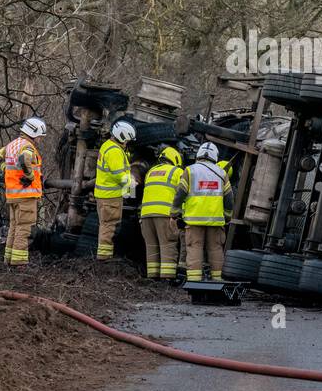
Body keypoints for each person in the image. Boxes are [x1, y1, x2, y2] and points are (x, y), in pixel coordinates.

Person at [173, 142, 233, 281]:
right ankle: (217, 280)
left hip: (194, 220)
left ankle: (194, 281)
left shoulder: (190, 170)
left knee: (195, 248)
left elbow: (180, 193)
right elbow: (229, 198)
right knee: (215, 249)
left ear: (199, 154)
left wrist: (174, 212)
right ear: (215, 156)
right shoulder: (222, 173)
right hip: (215, 221)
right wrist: (227, 216)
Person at [0, 117, 46, 266]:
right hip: (25, 195)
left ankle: (9, 259)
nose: (40, 140)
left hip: (13, 195)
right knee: (24, 229)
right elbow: (24, 160)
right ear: (33, 133)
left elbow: (1, 159)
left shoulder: (12, 145)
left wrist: (8, 169)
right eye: (40, 137)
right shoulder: (27, 147)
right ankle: (19, 262)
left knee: (14, 227)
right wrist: (30, 176)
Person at [94, 120, 135, 260]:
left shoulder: (107, 146)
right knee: (109, 226)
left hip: (104, 195)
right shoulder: (115, 151)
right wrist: (133, 184)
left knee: (105, 225)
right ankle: (104, 258)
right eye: (127, 140)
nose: (127, 143)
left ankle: (104, 256)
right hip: (111, 196)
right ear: (122, 137)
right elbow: (119, 175)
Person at [140, 146, 183, 279]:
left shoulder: (150, 172)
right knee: (168, 246)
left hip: (146, 216)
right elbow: (182, 194)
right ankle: (167, 279)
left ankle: (152, 277)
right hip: (165, 215)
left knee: (151, 247)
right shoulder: (177, 171)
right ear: (175, 159)